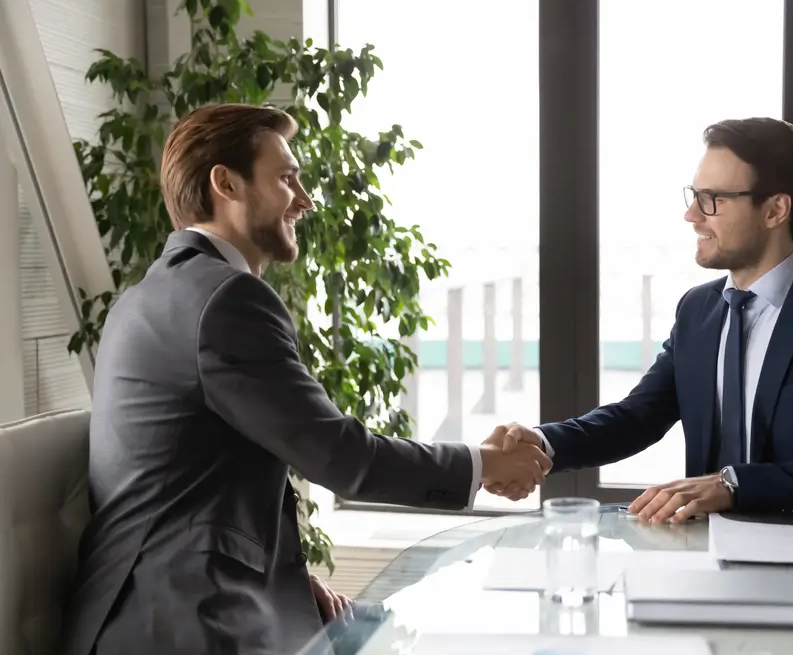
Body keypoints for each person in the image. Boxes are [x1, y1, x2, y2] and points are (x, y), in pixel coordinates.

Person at [59, 103, 552, 655]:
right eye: (287, 178)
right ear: (226, 183)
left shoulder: (149, 295)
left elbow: (187, 484)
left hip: (147, 608)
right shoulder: (226, 298)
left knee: (383, 629)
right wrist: (484, 464)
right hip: (181, 624)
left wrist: (285, 582)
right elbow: (341, 457)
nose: (305, 198)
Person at [485, 117, 793, 524]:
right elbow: (637, 417)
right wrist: (541, 443)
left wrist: (734, 485)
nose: (692, 215)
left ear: (774, 210)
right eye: (693, 196)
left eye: (712, 200)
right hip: (704, 553)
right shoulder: (698, 310)